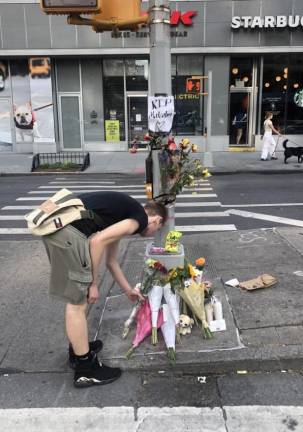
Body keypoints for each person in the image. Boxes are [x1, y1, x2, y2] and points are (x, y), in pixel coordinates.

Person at [43, 191, 167, 388]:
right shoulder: (138, 220)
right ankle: (85, 369)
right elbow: (96, 242)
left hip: (59, 230)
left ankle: (78, 351)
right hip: (67, 235)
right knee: (77, 303)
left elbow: (110, 262)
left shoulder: (124, 214)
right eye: (158, 229)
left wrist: (128, 291)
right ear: (157, 220)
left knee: (78, 300)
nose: (152, 234)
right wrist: (92, 283)